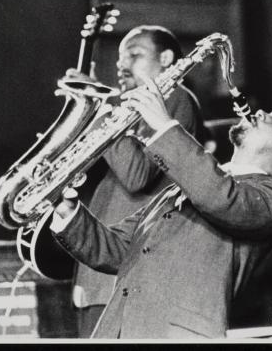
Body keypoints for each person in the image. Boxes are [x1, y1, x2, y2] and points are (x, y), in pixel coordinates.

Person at [50, 74, 272, 340]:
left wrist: (165, 127)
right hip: (119, 329)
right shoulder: (188, 183)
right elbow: (120, 249)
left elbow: (223, 199)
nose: (260, 112)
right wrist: (68, 212)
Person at [59, 25, 208, 338]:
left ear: (166, 58)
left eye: (135, 55)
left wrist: (100, 108)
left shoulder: (175, 96)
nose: (122, 65)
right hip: (99, 275)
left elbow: (136, 175)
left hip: (125, 275)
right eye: (118, 60)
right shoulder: (129, 109)